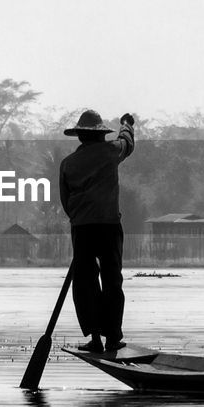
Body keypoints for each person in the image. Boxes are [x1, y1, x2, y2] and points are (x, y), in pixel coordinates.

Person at [59, 109, 135, 353]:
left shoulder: (68, 164)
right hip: (109, 226)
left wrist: (80, 219)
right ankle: (113, 337)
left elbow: (65, 199)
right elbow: (128, 143)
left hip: (82, 228)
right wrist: (126, 123)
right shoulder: (111, 152)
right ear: (100, 135)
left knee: (85, 283)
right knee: (112, 280)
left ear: (80, 137)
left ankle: (95, 339)